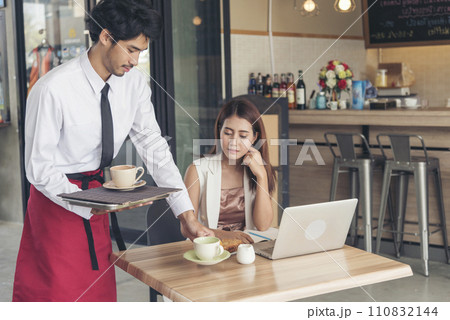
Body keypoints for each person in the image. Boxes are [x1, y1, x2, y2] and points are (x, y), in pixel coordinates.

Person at [13, 0, 213, 302]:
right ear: (106, 37)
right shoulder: (53, 89)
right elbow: (38, 168)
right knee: (56, 298)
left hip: (97, 201)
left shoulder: (134, 84)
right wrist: (90, 203)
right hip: (56, 206)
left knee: (99, 298)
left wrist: (186, 215)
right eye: (131, 49)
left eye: (141, 52)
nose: (135, 60)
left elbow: (153, 145)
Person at [184, 98, 277, 244]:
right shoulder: (197, 170)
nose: (234, 142)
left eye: (243, 136)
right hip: (210, 251)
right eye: (228, 133)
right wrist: (223, 235)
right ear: (219, 131)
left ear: (254, 137)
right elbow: (186, 227)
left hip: (247, 251)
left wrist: (262, 176)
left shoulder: (257, 170)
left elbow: (263, 225)